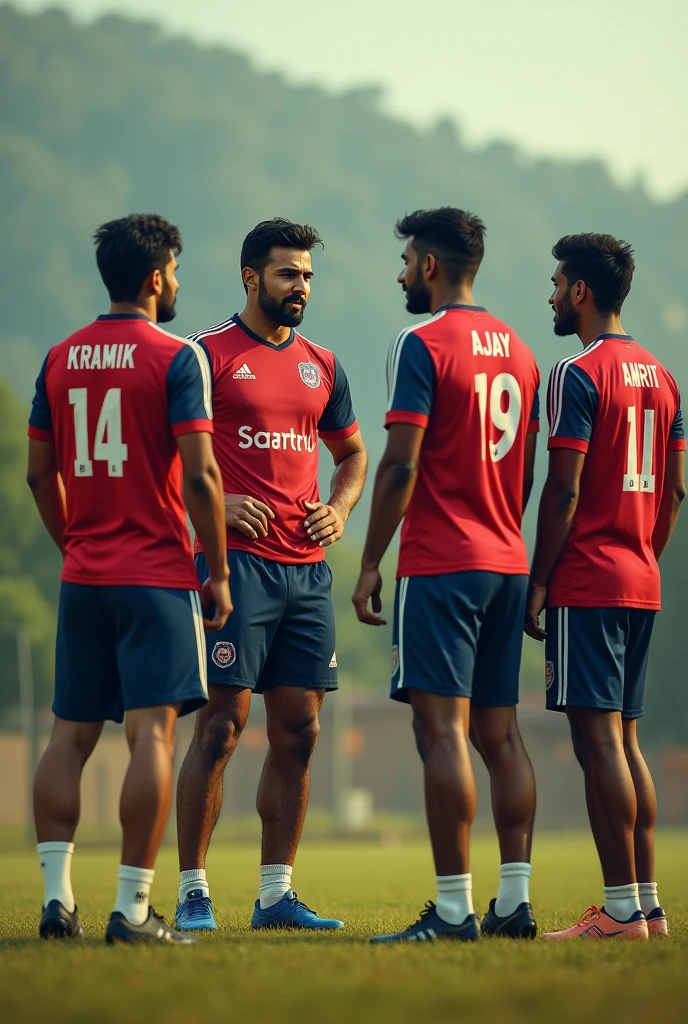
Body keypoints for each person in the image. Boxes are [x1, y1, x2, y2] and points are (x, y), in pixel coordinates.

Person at [27, 214, 231, 945]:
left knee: (68, 736)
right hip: (155, 576)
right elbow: (203, 476)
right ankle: (134, 910)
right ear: (155, 277)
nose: (176, 281)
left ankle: (57, 902)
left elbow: (38, 474)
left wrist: (74, 542)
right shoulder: (178, 359)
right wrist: (219, 572)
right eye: (174, 270)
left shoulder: (58, 358)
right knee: (153, 737)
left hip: (84, 577)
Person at [352, 207, 540, 944]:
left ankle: (456, 910)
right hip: (507, 560)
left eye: (406, 261)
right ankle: (514, 904)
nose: (400, 273)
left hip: (441, 563)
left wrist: (370, 561)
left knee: (441, 733)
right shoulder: (523, 352)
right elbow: (525, 471)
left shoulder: (421, 341)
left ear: (430, 266)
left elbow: (399, 461)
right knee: (502, 736)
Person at [175, 218, 367, 932]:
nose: (301, 288)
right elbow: (161, 456)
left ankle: (276, 895)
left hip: (306, 575)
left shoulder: (324, 364)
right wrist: (216, 505)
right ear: (251, 278)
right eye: (288, 274)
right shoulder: (205, 355)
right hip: (233, 570)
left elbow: (353, 454)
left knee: (301, 733)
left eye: (309, 276)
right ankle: (194, 891)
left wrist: (341, 509)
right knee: (222, 726)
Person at [525, 233, 685, 941]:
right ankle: (647, 907)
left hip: (588, 581)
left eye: (558, 284)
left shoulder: (576, 372)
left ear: (582, 291)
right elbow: (675, 490)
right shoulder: (664, 375)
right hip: (640, 579)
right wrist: (645, 553)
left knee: (598, 745)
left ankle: (619, 911)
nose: (553, 295)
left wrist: (539, 583)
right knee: (627, 740)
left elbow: (563, 490)